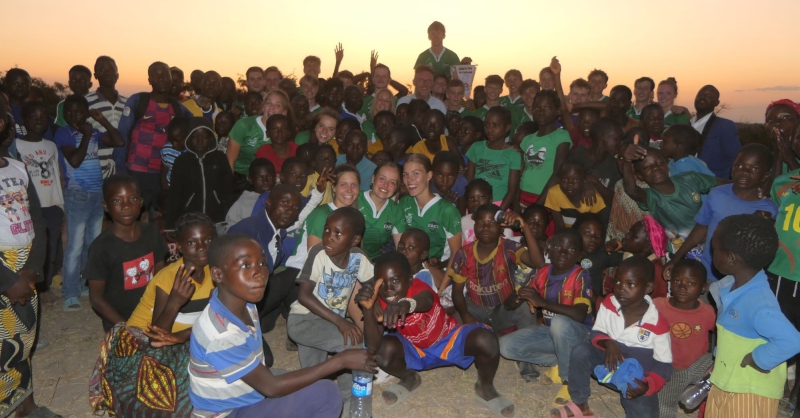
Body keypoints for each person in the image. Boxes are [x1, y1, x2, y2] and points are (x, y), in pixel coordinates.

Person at [188, 233, 375, 418]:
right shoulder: (222, 333)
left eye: (261, 263)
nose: (259, 273)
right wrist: (340, 361)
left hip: (246, 395)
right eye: (245, 265)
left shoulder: (245, 303)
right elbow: (272, 388)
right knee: (327, 394)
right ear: (217, 274)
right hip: (227, 413)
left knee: (308, 383)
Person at [356, 252, 516, 417]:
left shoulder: (418, 287)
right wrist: (368, 309)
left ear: (410, 280)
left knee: (486, 340)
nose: (388, 289)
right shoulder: (380, 301)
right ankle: (409, 377)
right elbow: (373, 345)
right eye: (382, 283)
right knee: (383, 351)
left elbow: (426, 300)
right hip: (415, 348)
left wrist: (407, 304)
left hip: (448, 339)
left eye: (395, 280)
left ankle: (485, 386)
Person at [90, 212, 217, 416]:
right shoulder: (168, 278)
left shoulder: (215, 272)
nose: (201, 247)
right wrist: (174, 302)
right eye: (192, 242)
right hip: (140, 346)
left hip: (180, 339)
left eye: (208, 240)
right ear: (181, 247)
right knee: (175, 398)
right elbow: (157, 338)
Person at [553, 255, 672, 418]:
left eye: (630, 284)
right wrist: (608, 343)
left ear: (648, 287)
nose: (621, 288)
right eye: (617, 281)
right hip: (607, 366)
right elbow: (597, 331)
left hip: (634, 380)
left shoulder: (658, 324)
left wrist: (648, 385)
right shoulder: (610, 303)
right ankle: (580, 405)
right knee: (581, 351)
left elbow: (664, 364)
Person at [705, 215, 800, 418]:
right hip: (729, 381)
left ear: (730, 258)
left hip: (749, 392)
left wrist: (757, 359)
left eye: (715, 250)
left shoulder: (758, 303)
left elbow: (791, 341)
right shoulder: (734, 286)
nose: (711, 253)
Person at [0, 110, 57, 417]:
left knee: (23, 338)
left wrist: (33, 269)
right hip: (3, 268)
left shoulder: (18, 168)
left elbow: (38, 220)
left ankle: (23, 403)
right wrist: (7, 280)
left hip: (25, 266)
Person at [286, 207, 375, 398]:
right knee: (352, 343)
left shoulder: (358, 258)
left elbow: (375, 282)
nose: (329, 237)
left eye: (338, 233)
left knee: (314, 377)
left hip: (326, 322)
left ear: (355, 240)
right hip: (303, 320)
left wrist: (370, 291)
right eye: (327, 230)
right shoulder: (318, 253)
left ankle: (338, 398)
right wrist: (341, 321)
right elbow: (304, 296)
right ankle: (350, 396)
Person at [500, 228, 593, 405]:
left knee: (559, 322)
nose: (563, 253)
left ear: (579, 255)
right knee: (505, 346)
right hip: (554, 334)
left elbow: (580, 315)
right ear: (549, 248)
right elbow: (508, 304)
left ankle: (569, 380)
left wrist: (540, 301)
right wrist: (519, 296)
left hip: (581, 337)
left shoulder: (580, 275)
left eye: (571, 249)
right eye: (558, 246)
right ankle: (563, 362)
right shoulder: (541, 272)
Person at [664, 144, 776, 282]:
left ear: (765, 176)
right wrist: (676, 258)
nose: (744, 172)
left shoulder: (768, 210)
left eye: (754, 168)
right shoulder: (717, 194)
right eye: (739, 165)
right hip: (707, 273)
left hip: (740, 281)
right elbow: (701, 229)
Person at [54, 94, 125, 311]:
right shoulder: (63, 133)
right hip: (77, 195)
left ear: (86, 113)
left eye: (78, 111)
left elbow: (119, 141)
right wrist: (85, 136)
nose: (72, 115)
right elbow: (74, 161)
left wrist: (102, 120)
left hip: (96, 195)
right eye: (68, 112)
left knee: (92, 245)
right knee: (75, 247)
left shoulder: (93, 132)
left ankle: (84, 285)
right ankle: (69, 293)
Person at [85, 175, 170, 332]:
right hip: (121, 321)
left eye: (132, 199)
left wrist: (162, 313)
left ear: (141, 202)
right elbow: (97, 299)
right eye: (117, 200)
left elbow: (161, 276)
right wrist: (127, 327)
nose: (126, 206)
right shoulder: (101, 247)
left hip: (153, 314)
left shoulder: (151, 232)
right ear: (105, 206)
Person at [116, 62, 191, 221]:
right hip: (137, 172)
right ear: (149, 80)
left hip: (164, 175)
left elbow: (196, 126)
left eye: (165, 75)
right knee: (133, 219)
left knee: (161, 219)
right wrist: (121, 170)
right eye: (156, 75)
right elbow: (122, 134)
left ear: (171, 79)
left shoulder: (178, 108)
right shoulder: (138, 101)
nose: (161, 78)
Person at [449, 204, 540, 334]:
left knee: (525, 306)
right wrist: (465, 315)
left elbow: (537, 263)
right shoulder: (463, 253)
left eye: (492, 223)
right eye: (480, 223)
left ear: (501, 227)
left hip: (504, 308)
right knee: (454, 321)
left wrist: (524, 226)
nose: (486, 227)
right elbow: (457, 292)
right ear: (474, 226)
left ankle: (525, 345)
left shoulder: (509, 247)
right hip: (475, 308)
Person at [621, 142, 723, 255]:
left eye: (660, 163)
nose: (655, 168)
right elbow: (632, 190)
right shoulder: (653, 198)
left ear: (667, 164)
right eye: (647, 167)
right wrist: (626, 162)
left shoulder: (690, 179)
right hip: (682, 254)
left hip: (711, 244)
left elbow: (723, 184)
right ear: (640, 176)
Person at [653, 258, 715, 418]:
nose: (682, 287)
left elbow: (722, 336)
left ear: (703, 288)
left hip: (698, 365)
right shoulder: (657, 306)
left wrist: (717, 361)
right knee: (664, 406)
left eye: (691, 283)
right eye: (677, 281)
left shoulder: (708, 312)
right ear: (670, 281)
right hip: (669, 369)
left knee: (724, 369)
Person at [18, 101, 64, 289]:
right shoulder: (16, 145)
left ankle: (44, 286)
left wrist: (60, 203)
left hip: (51, 205)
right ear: (23, 120)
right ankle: (27, 284)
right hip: (29, 207)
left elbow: (56, 173)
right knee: (31, 247)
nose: (39, 121)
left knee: (50, 245)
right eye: (33, 117)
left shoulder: (51, 146)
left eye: (43, 118)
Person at [165, 118, 233, 229]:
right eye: (195, 136)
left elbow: (228, 190)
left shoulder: (220, 158)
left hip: (217, 218)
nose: (200, 140)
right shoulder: (182, 161)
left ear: (211, 138)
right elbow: (174, 194)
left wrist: (228, 217)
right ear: (189, 138)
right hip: (190, 218)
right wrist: (170, 225)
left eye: (204, 137)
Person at [400, 154, 462, 273]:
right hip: (410, 268)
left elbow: (457, 254)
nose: (409, 179)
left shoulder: (447, 210)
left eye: (416, 173)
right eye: (405, 174)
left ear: (429, 175)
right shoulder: (404, 203)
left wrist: (442, 289)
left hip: (440, 270)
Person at [226, 90, 293, 183]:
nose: (271, 108)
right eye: (268, 103)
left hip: (267, 180)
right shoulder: (244, 125)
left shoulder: (284, 133)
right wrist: (229, 185)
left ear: (284, 112)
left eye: (278, 105)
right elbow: (230, 160)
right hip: (240, 177)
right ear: (263, 107)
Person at [519, 90, 572, 207]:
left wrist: (538, 205)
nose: (541, 112)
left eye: (547, 108)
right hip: (522, 195)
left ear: (557, 111)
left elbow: (557, 174)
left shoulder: (561, 137)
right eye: (537, 108)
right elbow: (520, 171)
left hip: (545, 197)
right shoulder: (527, 140)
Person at [465, 107, 521, 211]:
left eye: (496, 125)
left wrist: (498, 213)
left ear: (507, 127)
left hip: (500, 205)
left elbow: (512, 190)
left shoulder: (513, 154)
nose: (490, 129)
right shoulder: (476, 147)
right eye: (487, 125)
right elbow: (469, 181)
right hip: (475, 204)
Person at [603, 217, 669, 299]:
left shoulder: (655, 271)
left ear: (647, 246)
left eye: (633, 235)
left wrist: (605, 281)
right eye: (629, 231)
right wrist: (616, 246)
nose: (627, 235)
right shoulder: (636, 255)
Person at [85, 56, 128, 178]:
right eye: (102, 69)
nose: (107, 72)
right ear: (96, 75)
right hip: (95, 170)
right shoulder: (86, 102)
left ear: (117, 74)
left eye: (111, 69)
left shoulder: (128, 103)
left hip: (123, 170)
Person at [567, 117, 623, 205]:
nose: (620, 143)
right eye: (617, 139)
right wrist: (584, 182)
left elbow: (612, 200)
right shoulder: (575, 157)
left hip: (602, 217)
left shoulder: (615, 165)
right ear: (603, 137)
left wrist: (595, 182)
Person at [691, 85, 742, 178]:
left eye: (708, 96)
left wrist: (721, 183)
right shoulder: (686, 126)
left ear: (716, 103)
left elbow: (735, 158)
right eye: (700, 95)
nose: (702, 97)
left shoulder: (725, 126)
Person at [357, 162, 405, 259]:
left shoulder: (396, 210)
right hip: (347, 258)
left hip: (375, 262)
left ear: (396, 187)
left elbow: (400, 248)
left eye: (392, 182)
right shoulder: (355, 198)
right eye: (382, 178)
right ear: (373, 179)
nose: (385, 185)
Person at [544, 161, 607, 229]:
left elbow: (595, 226)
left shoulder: (593, 197)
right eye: (565, 179)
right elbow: (559, 225)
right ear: (558, 180)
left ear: (584, 180)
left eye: (576, 180)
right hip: (565, 234)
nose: (570, 184)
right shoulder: (554, 193)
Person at [572, 214, 622, 300]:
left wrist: (621, 246)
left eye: (598, 235)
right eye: (587, 233)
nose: (593, 238)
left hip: (590, 305)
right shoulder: (565, 253)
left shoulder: (602, 255)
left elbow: (630, 258)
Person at [225, 158, 276, 227]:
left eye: (269, 176)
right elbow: (231, 230)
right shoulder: (242, 204)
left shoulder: (280, 198)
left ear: (275, 178)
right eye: (259, 178)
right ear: (250, 180)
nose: (265, 181)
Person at [160, 116, 190, 191]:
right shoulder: (166, 150)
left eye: (178, 141)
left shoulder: (193, 153)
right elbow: (163, 173)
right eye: (171, 139)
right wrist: (166, 192)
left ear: (188, 137)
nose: (174, 144)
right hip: (171, 191)